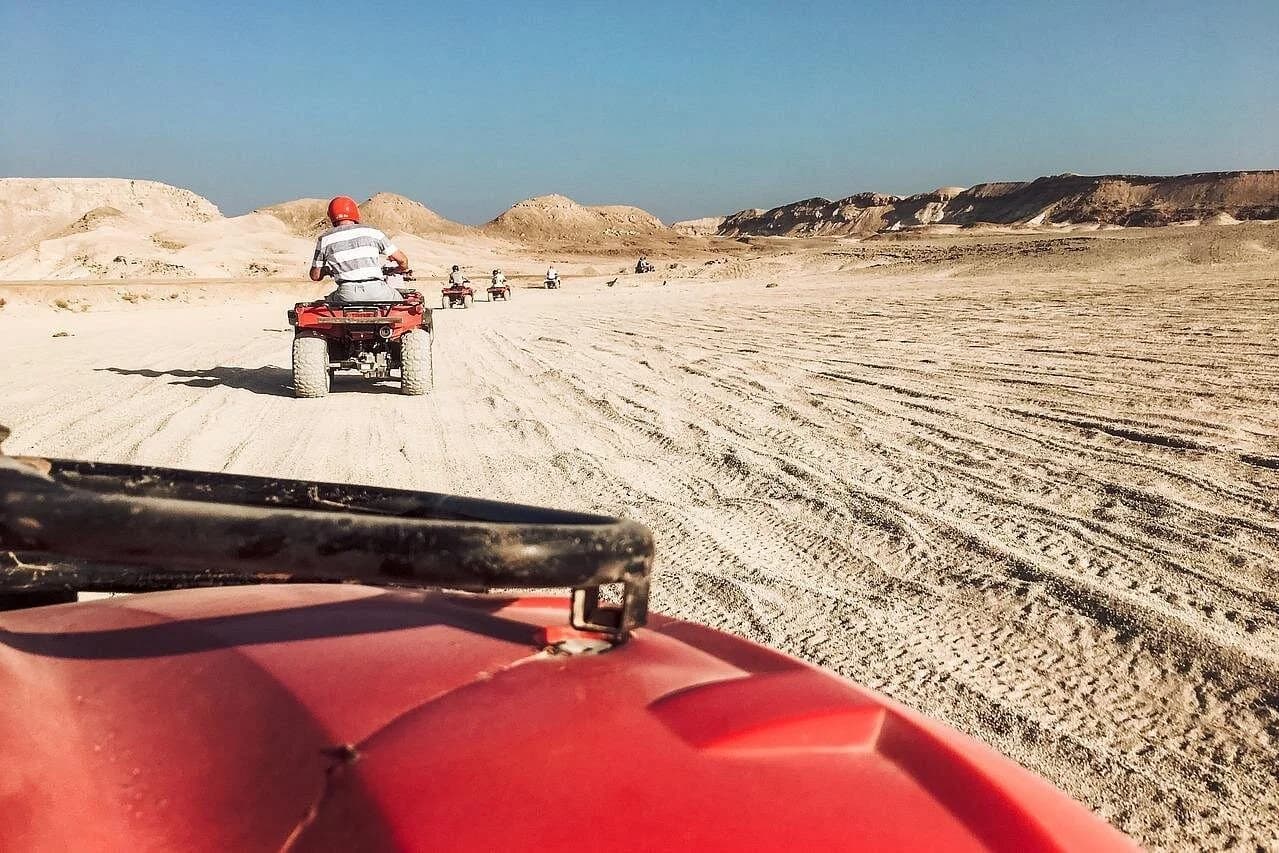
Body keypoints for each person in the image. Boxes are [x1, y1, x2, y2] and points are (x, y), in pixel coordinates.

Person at [310, 196, 408, 302]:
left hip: (347, 294)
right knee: (401, 301)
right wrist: (398, 269)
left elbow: (315, 276)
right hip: (377, 291)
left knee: (326, 303)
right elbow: (403, 260)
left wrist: (325, 271)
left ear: (331, 216)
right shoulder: (373, 232)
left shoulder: (324, 239)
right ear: (355, 212)